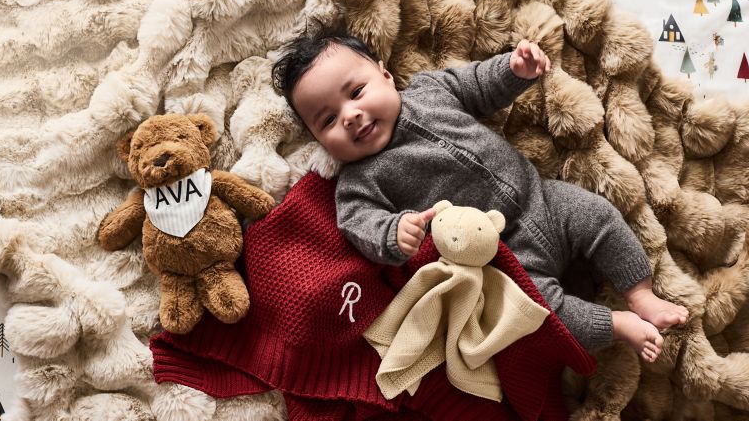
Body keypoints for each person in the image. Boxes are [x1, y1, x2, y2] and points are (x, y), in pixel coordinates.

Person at [271, 27, 688, 362]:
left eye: (356, 92)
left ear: (385, 75)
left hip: (542, 198)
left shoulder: (429, 90)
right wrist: (392, 233)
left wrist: (514, 69)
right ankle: (615, 325)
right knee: (535, 312)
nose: (350, 116)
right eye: (328, 120)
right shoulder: (358, 182)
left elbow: (477, 84)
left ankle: (640, 293)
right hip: (502, 257)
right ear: (318, 140)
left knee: (598, 214)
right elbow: (358, 222)